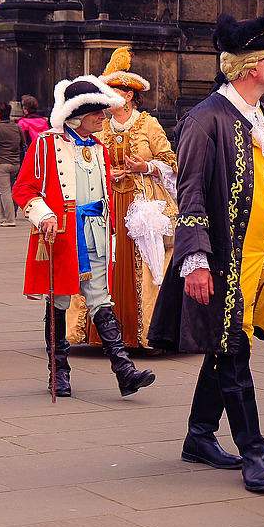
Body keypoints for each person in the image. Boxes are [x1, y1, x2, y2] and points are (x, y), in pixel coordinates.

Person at [148, 15, 264, 493]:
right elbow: (190, 197)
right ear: (249, 66)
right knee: (234, 354)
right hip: (223, 263)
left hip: (263, 262)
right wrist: (196, 260)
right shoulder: (205, 119)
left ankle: (199, 436)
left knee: (226, 349)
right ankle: (255, 454)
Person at [12, 75, 156, 399]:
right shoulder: (45, 145)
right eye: (97, 113)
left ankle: (124, 371)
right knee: (60, 303)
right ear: (78, 115)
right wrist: (44, 214)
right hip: (62, 237)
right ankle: (58, 374)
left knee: (100, 301)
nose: (103, 117)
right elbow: (24, 189)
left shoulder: (100, 149)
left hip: (96, 237)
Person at [66, 46, 178, 349]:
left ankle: (144, 332)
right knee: (101, 259)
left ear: (127, 95)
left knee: (143, 263)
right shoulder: (97, 126)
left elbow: (171, 160)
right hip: (106, 203)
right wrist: (106, 173)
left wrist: (146, 166)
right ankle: (100, 332)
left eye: (111, 92)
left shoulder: (148, 124)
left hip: (141, 202)